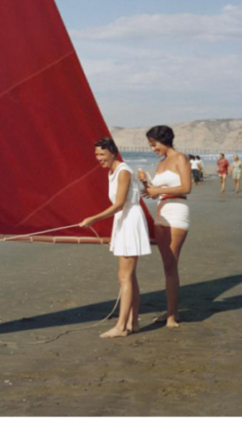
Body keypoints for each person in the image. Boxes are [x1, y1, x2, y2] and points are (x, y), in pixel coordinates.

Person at [80, 137, 151, 338]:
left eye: (102, 154)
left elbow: (120, 204)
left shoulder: (124, 171)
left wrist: (93, 218)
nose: (98, 158)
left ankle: (121, 327)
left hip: (130, 220)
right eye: (96, 155)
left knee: (124, 276)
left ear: (113, 152)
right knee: (130, 275)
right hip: (123, 221)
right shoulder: (112, 172)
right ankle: (133, 322)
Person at [137, 125, 191, 329]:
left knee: (171, 263)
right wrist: (145, 184)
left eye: (154, 144)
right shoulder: (160, 164)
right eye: (151, 145)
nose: (153, 149)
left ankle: (171, 316)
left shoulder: (180, 158)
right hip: (161, 212)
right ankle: (171, 312)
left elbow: (187, 187)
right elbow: (154, 192)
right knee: (166, 265)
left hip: (177, 211)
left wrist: (157, 189)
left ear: (164, 140)